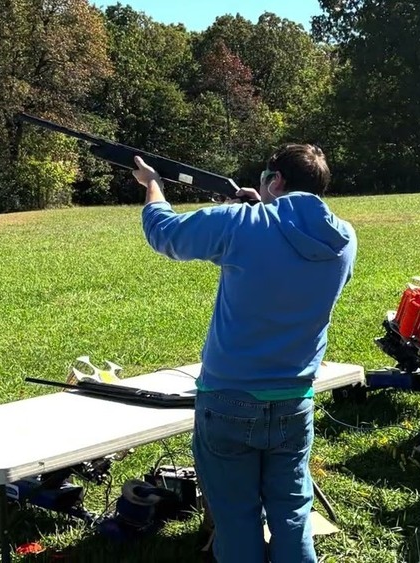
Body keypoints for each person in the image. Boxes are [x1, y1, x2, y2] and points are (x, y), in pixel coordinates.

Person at [132, 144, 357, 563]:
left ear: (276, 181)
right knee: (292, 514)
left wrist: (154, 187)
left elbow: (166, 234)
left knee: (236, 518)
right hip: (295, 399)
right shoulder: (344, 238)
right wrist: (261, 206)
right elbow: (289, 243)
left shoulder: (241, 222)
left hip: (228, 398)